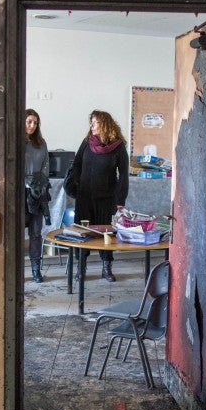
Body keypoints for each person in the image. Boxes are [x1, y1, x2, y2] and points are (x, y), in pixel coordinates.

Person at [63, 110, 129, 282]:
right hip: (84, 198)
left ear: (105, 125)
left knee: (106, 235)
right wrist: (77, 183)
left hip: (106, 199)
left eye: (95, 123)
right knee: (82, 234)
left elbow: (123, 175)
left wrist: (120, 200)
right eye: (91, 122)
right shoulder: (87, 143)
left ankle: (106, 268)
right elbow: (76, 164)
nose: (91, 126)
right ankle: (81, 268)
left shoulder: (118, 146)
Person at [24, 109, 51, 283]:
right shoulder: (14, 141)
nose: (32, 125)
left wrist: (38, 185)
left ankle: (36, 269)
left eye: (35, 122)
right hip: (19, 192)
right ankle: (15, 270)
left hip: (37, 192)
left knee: (36, 233)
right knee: (16, 234)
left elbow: (46, 165)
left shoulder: (41, 143)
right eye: (29, 122)